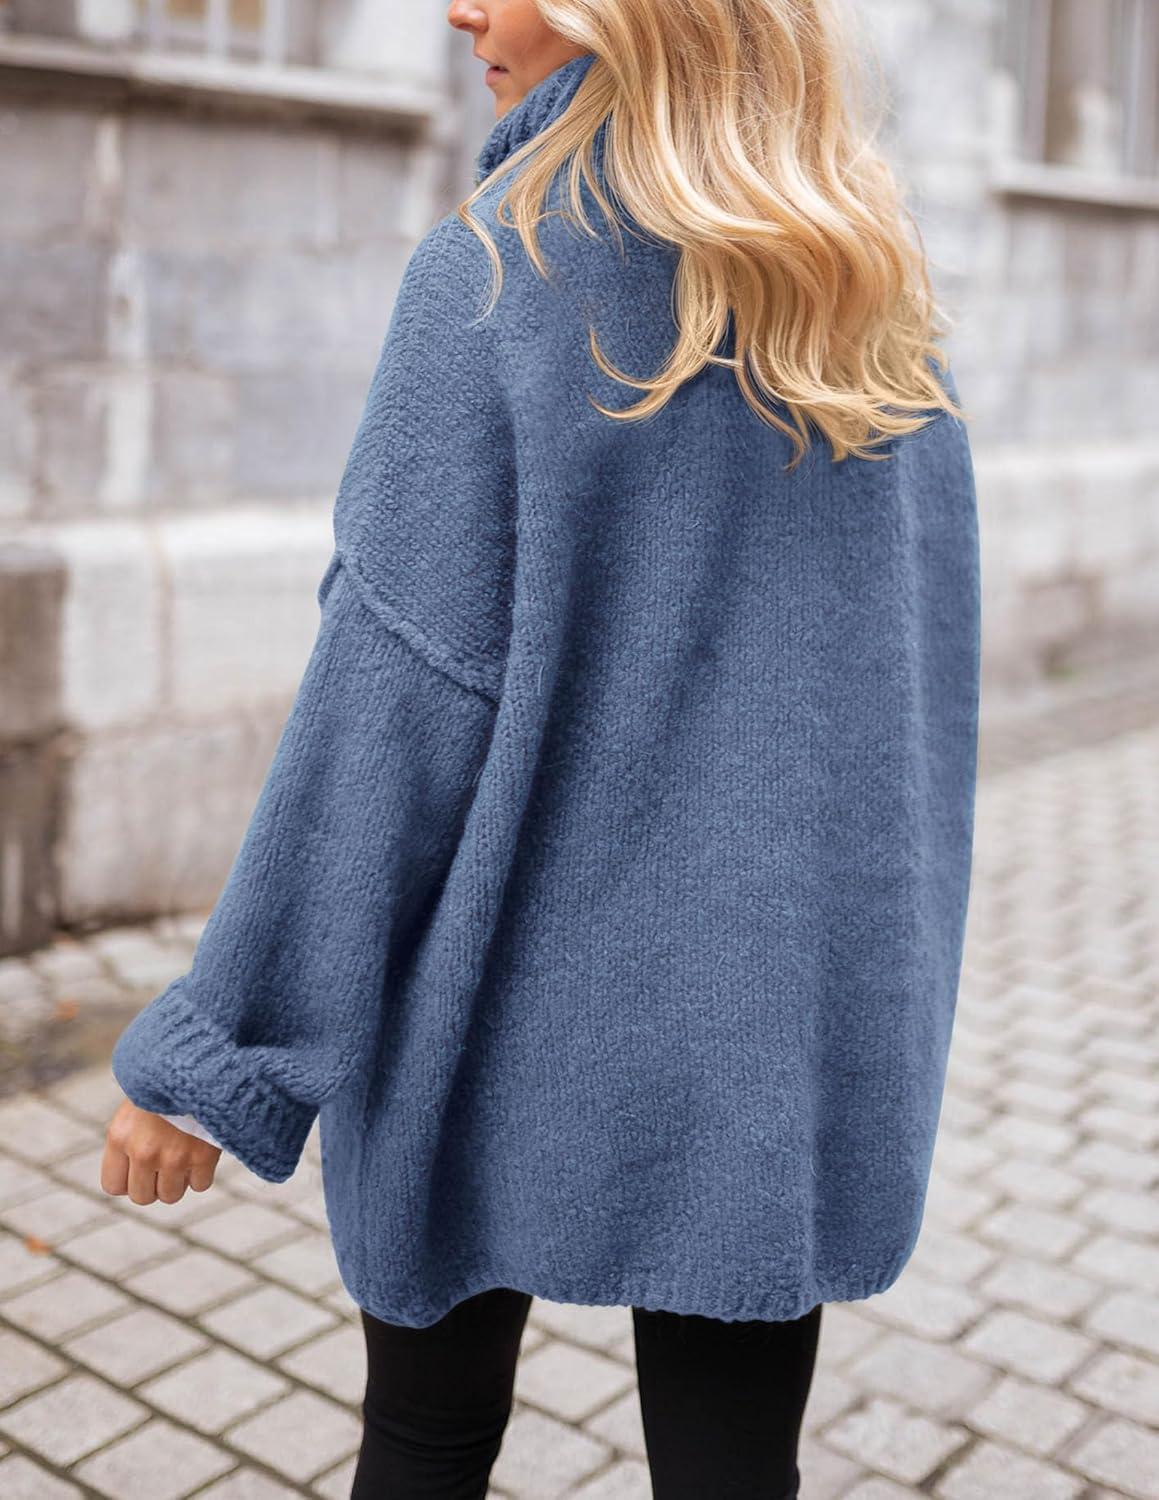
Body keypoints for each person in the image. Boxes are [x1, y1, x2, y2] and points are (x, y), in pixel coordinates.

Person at [100, 0, 980, 1495]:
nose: (459, 9)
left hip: (495, 994)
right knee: (732, 1467)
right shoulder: (867, 286)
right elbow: (915, 685)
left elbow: (388, 706)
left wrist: (223, 1046)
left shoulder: (500, 274)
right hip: (768, 1023)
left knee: (428, 1439)